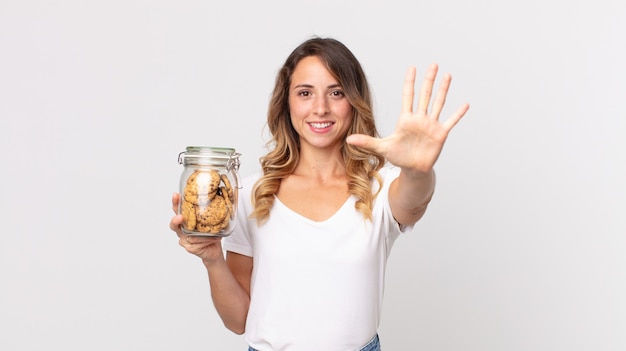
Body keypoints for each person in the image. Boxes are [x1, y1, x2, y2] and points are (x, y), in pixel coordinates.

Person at [169, 37, 469, 351]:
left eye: (336, 92)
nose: (321, 108)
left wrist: (418, 169)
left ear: (354, 101)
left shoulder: (379, 188)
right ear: (287, 102)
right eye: (305, 93)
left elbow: (414, 199)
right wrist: (214, 260)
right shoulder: (250, 194)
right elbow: (238, 320)